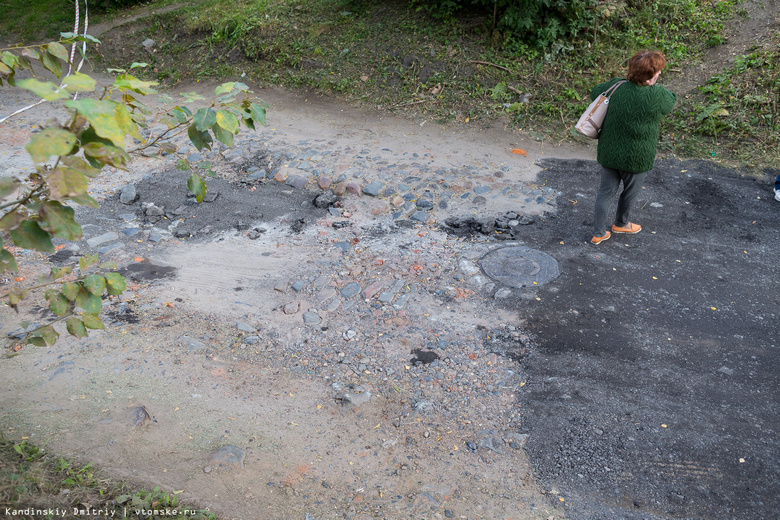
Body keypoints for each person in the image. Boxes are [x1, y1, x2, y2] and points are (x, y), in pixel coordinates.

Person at [590, 50, 677, 244]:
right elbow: (670, 102)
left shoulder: (615, 86)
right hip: (638, 157)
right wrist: (654, 86)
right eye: (657, 72)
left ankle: (598, 233)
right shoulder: (658, 94)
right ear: (648, 77)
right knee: (630, 192)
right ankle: (621, 223)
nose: (660, 74)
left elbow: (594, 92)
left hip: (610, 153)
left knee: (605, 192)